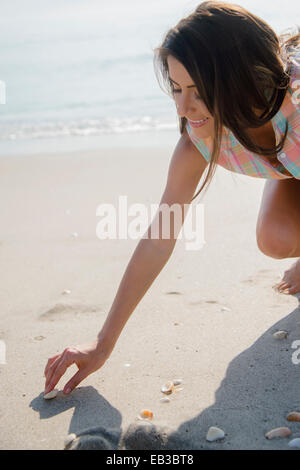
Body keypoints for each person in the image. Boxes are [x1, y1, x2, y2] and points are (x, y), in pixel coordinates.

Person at [44, 1, 300, 396]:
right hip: (288, 163)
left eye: (198, 91)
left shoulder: (296, 109)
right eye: (177, 88)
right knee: (276, 240)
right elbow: (159, 236)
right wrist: (104, 342)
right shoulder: (199, 141)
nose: (182, 107)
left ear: (238, 80)